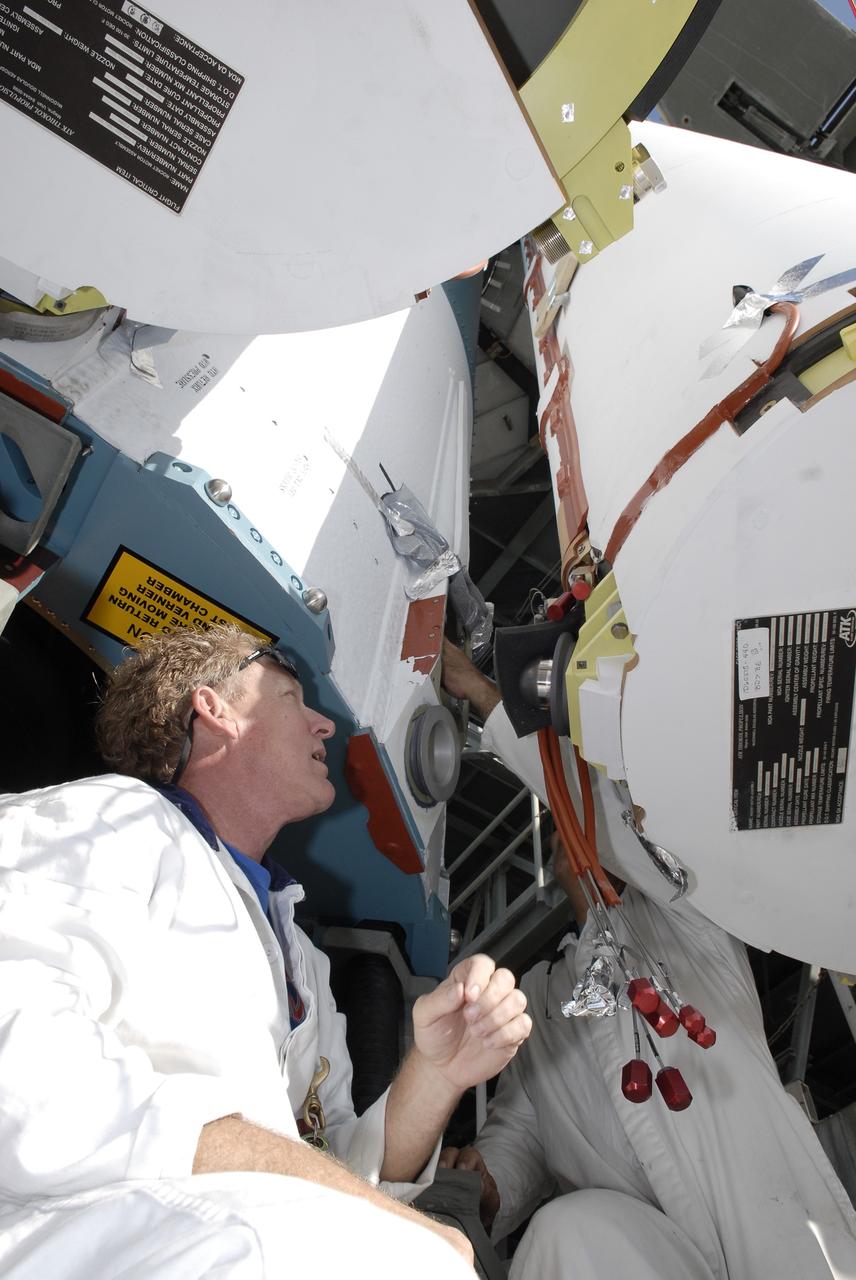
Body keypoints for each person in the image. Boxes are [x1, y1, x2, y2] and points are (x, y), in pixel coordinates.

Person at [0, 624, 532, 1280]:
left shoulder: (295, 952)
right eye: (291, 697)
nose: (324, 725)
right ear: (215, 710)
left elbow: (336, 1163)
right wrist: (356, 1212)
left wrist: (437, 1072)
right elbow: (21, 1064)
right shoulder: (105, 820)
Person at [439, 639, 856, 1280]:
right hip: (649, 1257)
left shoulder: (688, 924)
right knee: (561, 1229)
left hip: (768, 1220)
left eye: (573, 825)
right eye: (562, 834)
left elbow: (602, 818)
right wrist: (488, 1184)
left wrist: (483, 694)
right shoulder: (538, 1009)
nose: (568, 836)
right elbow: (519, 1138)